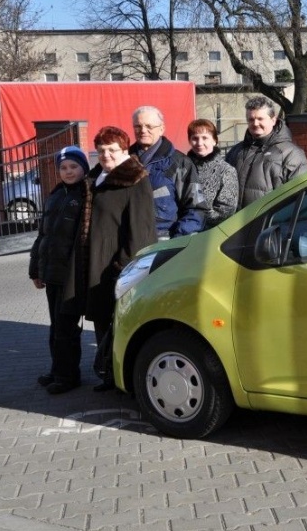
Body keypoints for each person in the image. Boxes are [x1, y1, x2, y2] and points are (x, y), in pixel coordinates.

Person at [70, 126, 157, 392]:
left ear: (124, 150)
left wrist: (126, 267)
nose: (106, 155)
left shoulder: (135, 180)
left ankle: (122, 375)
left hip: (116, 266)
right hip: (94, 262)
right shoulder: (96, 179)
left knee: (118, 322)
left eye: (112, 150)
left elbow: (141, 231)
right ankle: (107, 373)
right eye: (101, 150)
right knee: (100, 318)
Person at [29, 146, 91, 394]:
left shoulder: (86, 196)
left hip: (71, 276)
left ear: (83, 168)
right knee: (55, 327)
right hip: (51, 273)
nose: (68, 171)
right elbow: (42, 236)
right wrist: (35, 270)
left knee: (66, 328)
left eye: (73, 166)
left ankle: (68, 376)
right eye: (63, 168)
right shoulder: (55, 195)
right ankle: (57, 369)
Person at [130, 106, 205, 239]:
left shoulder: (179, 163)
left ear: (162, 128)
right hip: (129, 241)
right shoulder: (123, 161)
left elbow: (196, 208)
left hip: (163, 240)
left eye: (149, 126)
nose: (143, 131)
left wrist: (177, 240)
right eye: (138, 126)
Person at [225, 96, 307, 209]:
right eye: (251, 119)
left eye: (260, 119)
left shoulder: (291, 154)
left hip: (272, 224)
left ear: (273, 120)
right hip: (235, 224)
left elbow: (303, 195)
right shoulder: (236, 151)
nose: (255, 123)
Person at [186, 119, 238, 228]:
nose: (200, 143)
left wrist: (194, 220)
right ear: (189, 141)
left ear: (214, 140)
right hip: (179, 232)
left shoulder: (225, 170)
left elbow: (225, 210)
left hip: (208, 233)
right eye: (195, 138)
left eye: (205, 138)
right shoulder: (181, 168)